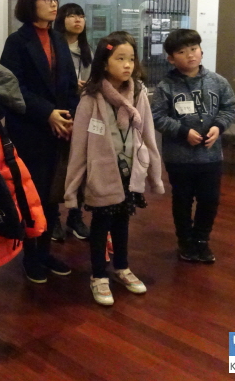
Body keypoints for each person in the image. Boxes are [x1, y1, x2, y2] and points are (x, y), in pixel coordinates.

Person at [64, 32, 164, 305]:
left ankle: (122, 267)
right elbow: (79, 146)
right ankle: (98, 275)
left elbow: (148, 135)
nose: (127, 64)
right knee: (100, 225)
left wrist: (155, 176)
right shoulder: (91, 97)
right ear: (104, 62)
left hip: (130, 172)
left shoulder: (139, 93)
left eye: (131, 58)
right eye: (120, 58)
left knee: (122, 221)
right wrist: (72, 189)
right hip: (102, 174)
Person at [0, 0, 79, 284]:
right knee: (30, 195)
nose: (53, 3)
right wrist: (47, 113)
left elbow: (69, 85)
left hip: (59, 130)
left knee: (51, 195)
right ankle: (31, 256)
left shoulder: (58, 39)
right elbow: (13, 87)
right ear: (29, 2)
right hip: (30, 130)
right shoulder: (17, 41)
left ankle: (45, 252)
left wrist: (69, 117)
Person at [151, 29, 235, 264]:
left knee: (209, 199)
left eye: (193, 49)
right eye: (182, 52)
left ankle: (201, 240)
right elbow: (157, 116)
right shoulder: (166, 86)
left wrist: (219, 126)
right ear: (171, 58)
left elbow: (230, 107)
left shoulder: (217, 81)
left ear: (201, 51)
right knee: (182, 200)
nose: (190, 55)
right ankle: (185, 241)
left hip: (210, 156)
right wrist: (182, 131)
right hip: (179, 157)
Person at [51, 2, 93, 242]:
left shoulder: (88, 50)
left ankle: (75, 217)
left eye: (81, 16)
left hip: (84, 112)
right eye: (72, 15)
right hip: (59, 112)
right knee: (58, 167)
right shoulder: (53, 47)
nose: (78, 20)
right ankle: (54, 217)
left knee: (81, 166)